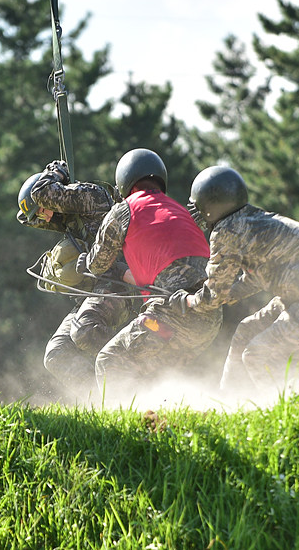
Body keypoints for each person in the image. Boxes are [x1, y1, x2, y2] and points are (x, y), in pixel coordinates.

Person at [176, 165, 299, 395]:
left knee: (260, 354)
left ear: (209, 204)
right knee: (246, 331)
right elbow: (260, 277)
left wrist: (189, 302)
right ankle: (226, 402)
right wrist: (229, 294)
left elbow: (213, 295)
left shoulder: (227, 231)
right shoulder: (252, 221)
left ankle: (291, 413)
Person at [76, 148, 223, 400]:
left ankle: (121, 433)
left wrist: (86, 262)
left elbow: (98, 264)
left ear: (124, 182)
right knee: (156, 378)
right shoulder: (181, 212)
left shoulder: (125, 210)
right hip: (208, 319)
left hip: (168, 315)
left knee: (110, 361)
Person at [17, 159, 136, 399]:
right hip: (92, 293)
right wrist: (43, 198)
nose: (45, 217)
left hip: (119, 286)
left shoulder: (92, 198)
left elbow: (43, 193)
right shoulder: (64, 217)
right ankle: (104, 402)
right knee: (57, 354)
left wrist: (55, 173)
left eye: (43, 209)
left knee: (85, 330)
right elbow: (25, 216)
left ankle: (139, 375)